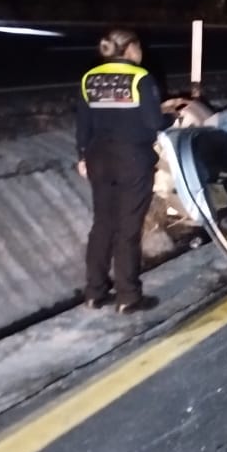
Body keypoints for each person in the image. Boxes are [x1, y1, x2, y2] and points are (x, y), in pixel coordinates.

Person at [75, 29, 167, 313]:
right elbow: (154, 123)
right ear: (129, 50)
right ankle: (128, 296)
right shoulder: (141, 78)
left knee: (102, 224)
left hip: (97, 158)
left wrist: (81, 156)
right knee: (128, 228)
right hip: (132, 159)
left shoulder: (89, 78)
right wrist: (171, 115)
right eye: (139, 48)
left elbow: (83, 124)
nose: (141, 54)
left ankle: (94, 292)